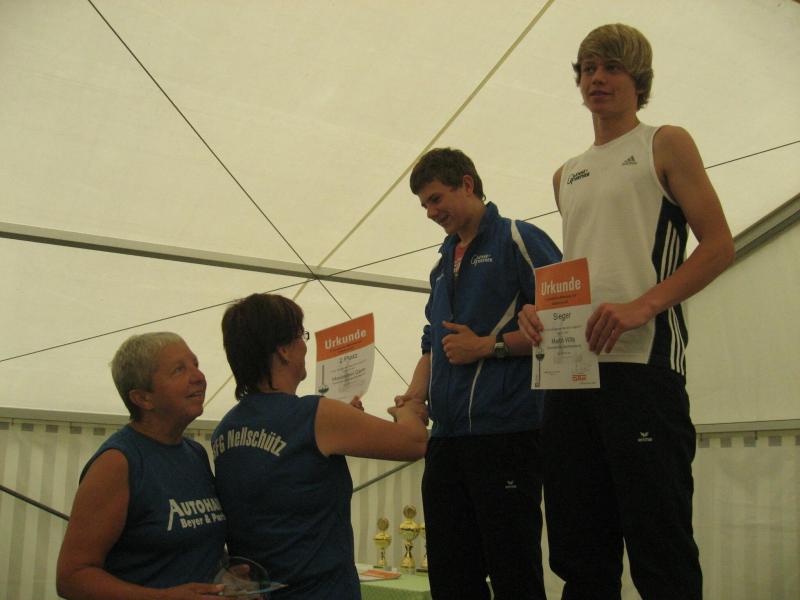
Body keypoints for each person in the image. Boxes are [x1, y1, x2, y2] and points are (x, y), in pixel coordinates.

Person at [518, 23, 735, 600]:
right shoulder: (566, 174)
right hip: (570, 376)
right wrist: (540, 314)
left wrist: (645, 305)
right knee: (580, 553)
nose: (597, 78)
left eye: (611, 67)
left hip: (644, 369)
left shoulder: (665, 142)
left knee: (660, 548)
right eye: (588, 68)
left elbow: (719, 245)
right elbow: (585, 267)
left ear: (638, 79)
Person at [395, 148, 562, 600]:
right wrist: (414, 395)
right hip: (447, 439)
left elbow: (567, 320)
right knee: (450, 577)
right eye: (424, 205)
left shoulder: (519, 239)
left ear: (467, 184)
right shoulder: (440, 265)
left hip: (507, 433)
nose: (431, 213)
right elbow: (434, 343)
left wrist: (489, 345)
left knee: (514, 573)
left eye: (436, 199)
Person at [212, 293, 429, 600]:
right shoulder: (314, 414)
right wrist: (407, 410)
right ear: (284, 350)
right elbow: (415, 442)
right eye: (301, 336)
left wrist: (344, 419)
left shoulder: (225, 430)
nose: (305, 346)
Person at [56, 332, 227, 600]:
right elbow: (72, 578)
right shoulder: (118, 463)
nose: (198, 376)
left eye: (195, 364)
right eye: (179, 370)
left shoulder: (195, 454)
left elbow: (190, 549)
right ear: (143, 398)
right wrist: (163, 598)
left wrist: (228, 576)